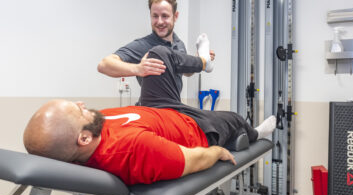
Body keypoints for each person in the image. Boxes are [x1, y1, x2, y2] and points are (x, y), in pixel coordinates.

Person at [23, 40, 276, 186]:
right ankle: (255, 132)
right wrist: (217, 151)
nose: (81, 103)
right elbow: (194, 160)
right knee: (232, 119)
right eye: (76, 110)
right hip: (195, 128)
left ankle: (203, 63)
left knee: (158, 55)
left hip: (157, 107)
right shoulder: (132, 149)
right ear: (84, 139)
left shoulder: (91, 128)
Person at [97, 0, 215, 90]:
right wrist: (138, 69)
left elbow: (187, 73)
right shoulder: (143, 45)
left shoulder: (179, 44)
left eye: (164, 16)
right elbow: (104, 65)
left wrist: (196, 59)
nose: (159, 22)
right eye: (155, 16)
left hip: (173, 108)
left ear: (175, 16)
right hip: (152, 110)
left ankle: (203, 62)